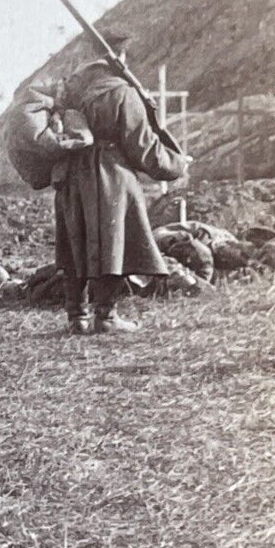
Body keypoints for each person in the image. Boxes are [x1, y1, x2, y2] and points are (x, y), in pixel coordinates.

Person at [51, 41, 188, 335]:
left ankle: (76, 316)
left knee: (76, 241)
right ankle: (106, 316)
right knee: (114, 242)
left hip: (72, 174)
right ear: (120, 56)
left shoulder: (69, 90)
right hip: (110, 174)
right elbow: (142, 145)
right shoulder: (122, 92)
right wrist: (176, 164)